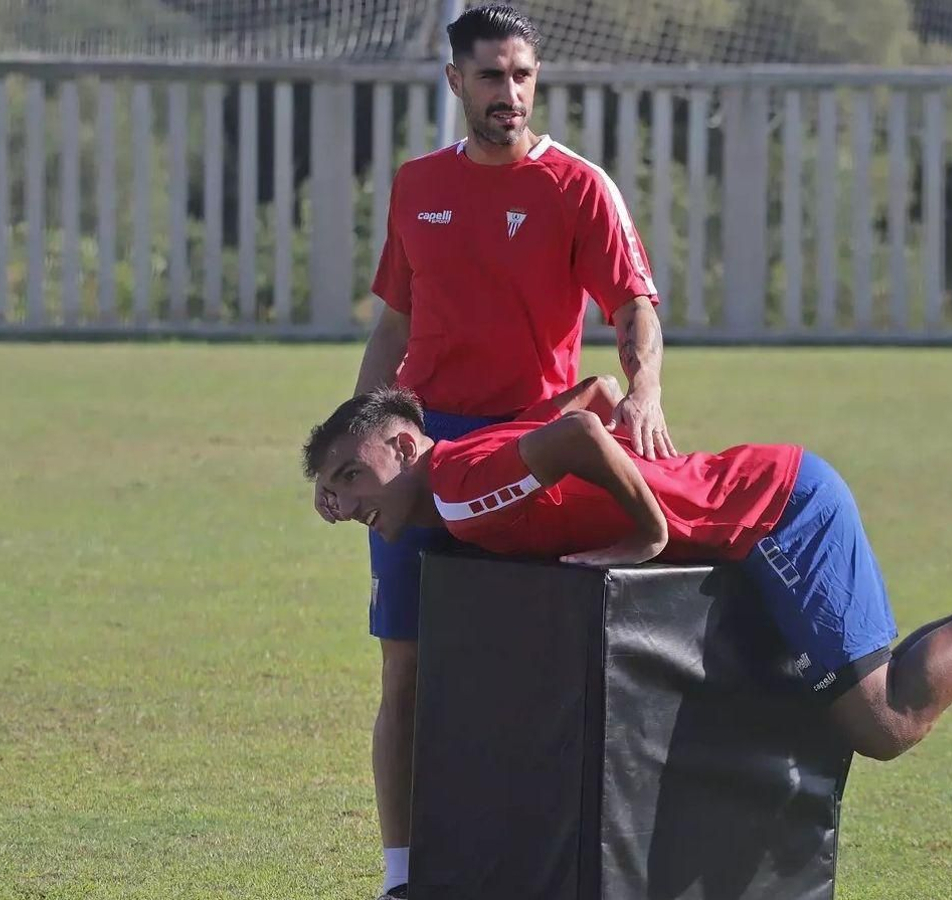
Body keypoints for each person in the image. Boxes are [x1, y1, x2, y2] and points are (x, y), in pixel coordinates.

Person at [303, 377, 952, 769]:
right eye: (331, 493)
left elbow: (581, 432)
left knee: (886, 723)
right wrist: (661, 482)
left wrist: (651, 526)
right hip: (753, 511)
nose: (344, 504)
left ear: (405, 447)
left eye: (351, 477)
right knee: (865, 709)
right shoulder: (458, 471)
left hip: (778, 511)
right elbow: (595, 392)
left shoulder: (458, 490)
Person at [315, 7, 674, 897]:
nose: (508, 93)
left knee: (528, 663)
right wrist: (352, 447)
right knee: (405, 665)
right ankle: (401, 877)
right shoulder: (417, 185)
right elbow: (393, 326)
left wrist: (646, 393)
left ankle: (529, 862)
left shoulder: (578, 187)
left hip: (528, 448)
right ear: (455, 83)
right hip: (417, 451)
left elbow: (633, 306)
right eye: (489, 76)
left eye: (521, 75)